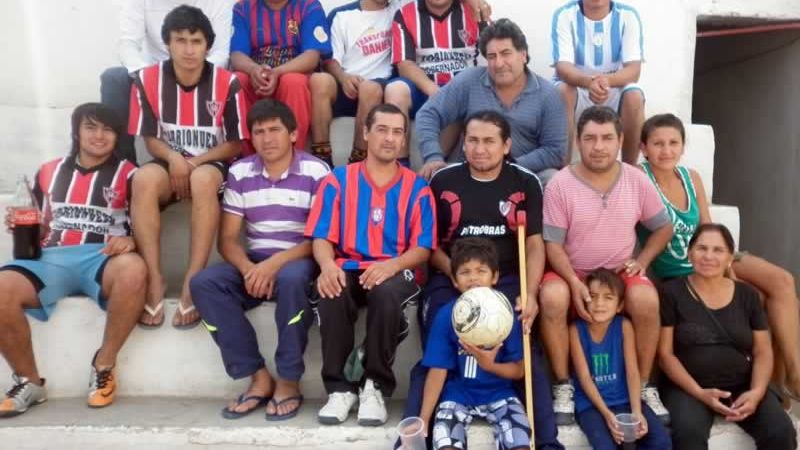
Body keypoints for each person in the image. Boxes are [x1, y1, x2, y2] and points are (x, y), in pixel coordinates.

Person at [402, 110, 563, 449]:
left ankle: (546, 442)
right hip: (451, 276)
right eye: (472, 140)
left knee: (526, 353)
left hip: (503, 279)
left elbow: (534, 245)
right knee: (435, 347)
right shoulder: (443, 181)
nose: (479, 149)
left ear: (506, 145)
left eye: (489, 141)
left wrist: (530, 293)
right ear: (463, 143)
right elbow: (428, 244)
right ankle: (417, 437)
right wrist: (460, 279)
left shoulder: (524, 182)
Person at [638, 113, 800, 405]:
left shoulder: (691, 177)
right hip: (680, 266)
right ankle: (774, 381)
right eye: (658, 143)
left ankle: (793, 373)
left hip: (711, 251)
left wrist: (727, 267)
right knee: (759, 299)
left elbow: (707, 227)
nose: (666, 150)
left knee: (782, 281)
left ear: (683, 146)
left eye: (674, 142)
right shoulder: (640, 178)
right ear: (643, 148)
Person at [0, 103, 145, 416]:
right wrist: (19, 223)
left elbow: (144, 225)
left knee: (133, 270)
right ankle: (29, 381)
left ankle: (103, 365)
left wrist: (131, 239)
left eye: (107, 129)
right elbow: (36, 221)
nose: (99, 135)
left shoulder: (131, 174)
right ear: (76, 132)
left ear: (117, 135)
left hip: (101, 257)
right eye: (90, 127)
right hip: (51, 257)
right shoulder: (49, 170)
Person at [189, 99, 329, 421]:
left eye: (275, 130)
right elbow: (227, 240)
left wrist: (273, 265)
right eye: (259, 132)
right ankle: (257, 376)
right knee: (204, 284)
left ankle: (289, 380)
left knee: (294, 280)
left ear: (294, 134)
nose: (267, 138)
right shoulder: (240, 172)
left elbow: (320, 238)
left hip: (299, 258)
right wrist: (250, 268)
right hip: (255, 260)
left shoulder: (316, 171)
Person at [539, 106, 673, 426]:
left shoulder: (635, 179)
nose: (598, 146)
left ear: (620, 140)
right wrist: (572, 281)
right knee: (552, 296)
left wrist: (642, 261)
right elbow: (552, 244)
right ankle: (563, 385)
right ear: (578, 142)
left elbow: (663, 227)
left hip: (617, 273)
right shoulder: (560, 184)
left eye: (607, 138)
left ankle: (642, 385)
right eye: (590, 138)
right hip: (572, 270)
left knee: (646, 298)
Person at [305, 103, 436, 426]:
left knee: (386, 292)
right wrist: (326, 266)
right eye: (382, 130)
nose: (390, 139)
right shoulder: (338, 181)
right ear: (365, 133)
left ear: (404, 139)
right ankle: (340, 389)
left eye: (397, 132)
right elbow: (321, 237)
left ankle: (375, 385)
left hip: (396, 270)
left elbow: (423, 248)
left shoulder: (417, 187)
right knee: (331, 288)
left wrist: (391, 266)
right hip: (349, 265)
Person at [129, 5, 246, 329]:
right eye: (180, 40)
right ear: (167, 43)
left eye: (196, 41)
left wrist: (192, 162)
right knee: (143, 179)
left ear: (208, 45)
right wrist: (174, 159)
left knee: (204, 180)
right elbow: (150, 139)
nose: (189, 49)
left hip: (211, 165)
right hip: (169, 161)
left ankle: (192, 284)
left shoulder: (228, 83)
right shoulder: (146, 79)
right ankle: (154, 280)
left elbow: (235, 143)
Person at [658, 223, 797, 450]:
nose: (708, 256)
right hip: (688, 388)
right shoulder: (671, 292)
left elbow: (762, 350)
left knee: (780, 431)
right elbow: (665, 355)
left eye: (718, 250)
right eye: (702, 248)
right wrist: (699, 393)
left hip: (742, 384)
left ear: (730, 258)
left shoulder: (747, 295)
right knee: (687, 435)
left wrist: (757, 392)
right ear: (689, 253)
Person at [415, 18, 568, 183]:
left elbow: (555, 150)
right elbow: (428, 113)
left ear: (523, 55)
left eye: (506, 54)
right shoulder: (469, 81)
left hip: (520, 173)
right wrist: (433, 156)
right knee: (433, 178)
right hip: (470, 172)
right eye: (492, 56)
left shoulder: (548, 94)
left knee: (554, 180)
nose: (499, 63)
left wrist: (508, 166)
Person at [420, 237, 531, 450]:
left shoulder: (506, 314)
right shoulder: (448, 315)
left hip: (501, 394)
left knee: (520, 444)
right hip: (458, 394)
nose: (473, 278)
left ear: (495, 276)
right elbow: (438, 370)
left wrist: (490, 366)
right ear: (454, 280)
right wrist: (424, 418)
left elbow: (519, 370)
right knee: (446, 445)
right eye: (465, 272)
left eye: (481, 271)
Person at [101, 0, 233, 164]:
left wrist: (191, 74)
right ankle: (122, 167)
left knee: (234, 78)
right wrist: (148, 75)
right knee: (114, 78)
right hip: (154, 73)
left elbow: (221, 53)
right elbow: (127, 43)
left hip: (201, 72)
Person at [570, 269, 671, 449]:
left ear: (619, 305)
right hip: (592, 405)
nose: (599, 303)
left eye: (608, 297)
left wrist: (637, 411)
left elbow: (632, 372)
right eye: (592, 296)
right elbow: (585, 378)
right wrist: (607, 415)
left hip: (625, 399)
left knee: (661, 442)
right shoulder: (575, 330)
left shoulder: (624, 326)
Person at [385, 0, 491, 166]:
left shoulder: (473, 9)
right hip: (424, 87)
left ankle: (435, 167)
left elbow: (493, 51)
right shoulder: (405, 14)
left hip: (460, 89)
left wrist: (484, 18)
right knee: (395, 89)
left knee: (462, 96)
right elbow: (404, 64)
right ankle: (399, 165)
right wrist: (436, 92)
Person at [230, 0, 332, 152]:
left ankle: (294, 155)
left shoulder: (308, 5)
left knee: (293, 81)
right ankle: (246, 157)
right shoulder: (243, 7)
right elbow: (237, 54)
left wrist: (277, 72)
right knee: (237, 79)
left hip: (293, 75)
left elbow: (312, 56)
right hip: (258, 77)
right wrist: (253, 70)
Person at [551, 0, 645, 164]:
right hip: (579, 89)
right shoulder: (564, 15)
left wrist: (605, 81)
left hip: (612, 88)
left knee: (634, 95)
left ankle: (630, 169)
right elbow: (563, 67)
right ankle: (562, 170)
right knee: (563, 91)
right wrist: (588, 82)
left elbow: (633, 71)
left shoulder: (628, 15)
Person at [309, 0, 397, 167]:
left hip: (379, 87)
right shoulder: (341, 15)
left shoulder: (398, 10)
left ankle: (358, 163)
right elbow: (329, 60)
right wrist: (344, 78)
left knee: (369, 88)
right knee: (319, 80)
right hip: (346, 84)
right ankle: (322, 160)